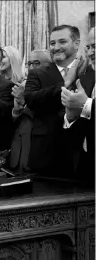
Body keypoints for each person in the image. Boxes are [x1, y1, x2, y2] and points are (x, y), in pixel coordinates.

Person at [24, 25, 87, 177]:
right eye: (52, 43)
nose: (56, 47)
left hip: (84, 154)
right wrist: (64, 84)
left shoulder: (89, 71)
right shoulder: (38, 73)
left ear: (76, 43)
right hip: (47, 154)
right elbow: (31, 99)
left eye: (62, 42)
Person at [61, 27, 95, 183]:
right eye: (88, 47)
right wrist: (71, 116)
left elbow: (87, 106)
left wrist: (86, 104)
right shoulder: (87, 79)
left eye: (95, 47)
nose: (89, 53)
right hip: (86, 169)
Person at [0, 46, 31, 173]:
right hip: (0, 138)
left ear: (12, 59)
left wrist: (19, 109)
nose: (0, 60)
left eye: (3, 56)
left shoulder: (24, 82)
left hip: (19, 140)